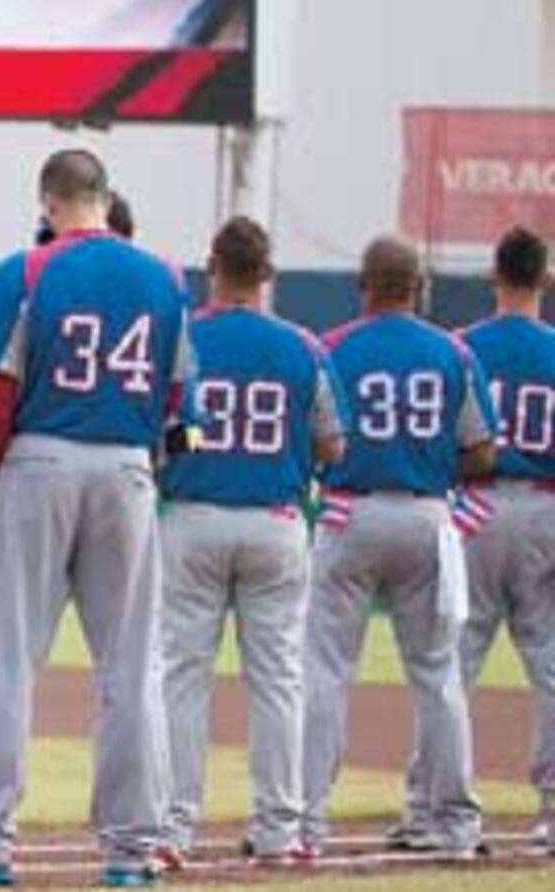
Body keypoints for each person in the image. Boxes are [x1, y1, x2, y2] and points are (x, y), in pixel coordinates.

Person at [0, 150, 190, 888]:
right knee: (131, 668)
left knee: (12, 662)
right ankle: (129, 851)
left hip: (39, 460)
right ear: (105, 201)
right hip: (127, 467)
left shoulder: (24, 271)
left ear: (49, 203)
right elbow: (178, 405)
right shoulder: (166, 278)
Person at [154, 217, 344, 865]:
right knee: (278, 680)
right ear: (266, 275)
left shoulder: (184, 338)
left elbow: (164, 428)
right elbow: (332, 444)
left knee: (181, 676)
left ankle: (172, 829)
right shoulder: (303, 346)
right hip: (275, 520)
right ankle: (278, 829)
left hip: (193, 516)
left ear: (213, 268)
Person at [299, 235, 495, 859]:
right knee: (438, 674)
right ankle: (455, 825)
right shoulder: (453, 352)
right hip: (426, 515)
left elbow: (315, 439)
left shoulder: (332, 347)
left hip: (349, 513)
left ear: (363, 283)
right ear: (418, 287)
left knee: (326, 673)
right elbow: (484, 450)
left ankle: (305, 820)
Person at [451, 225, 555, 854]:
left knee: (455, 657)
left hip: (477, 506)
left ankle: (439, 802)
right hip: (546, 506)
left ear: (494, 275)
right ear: (544, 280)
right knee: (549, 660)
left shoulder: (461, 347)